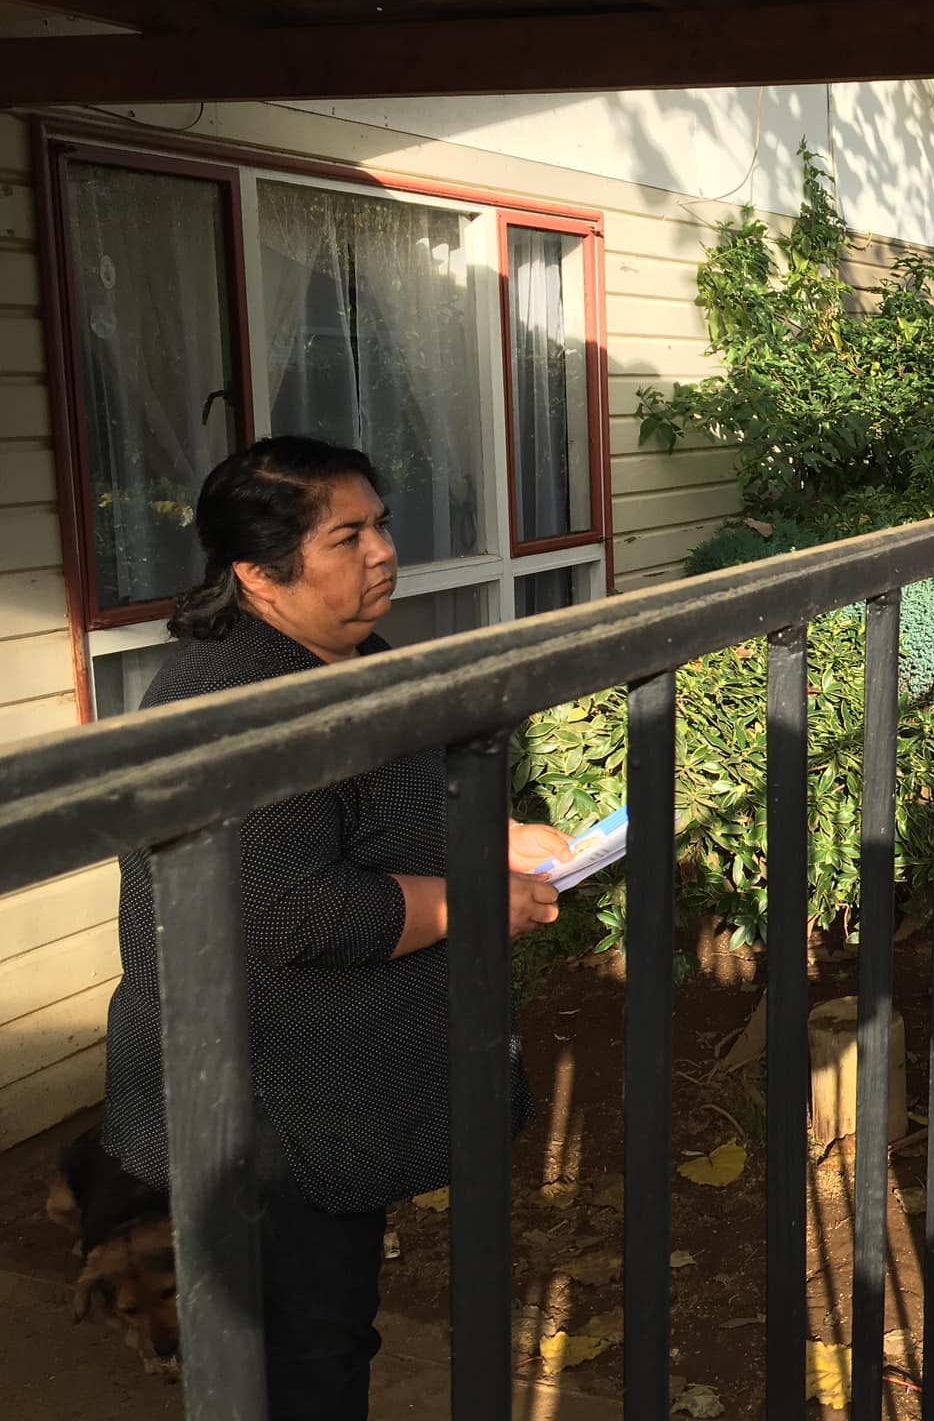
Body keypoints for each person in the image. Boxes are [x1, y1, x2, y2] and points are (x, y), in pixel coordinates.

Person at [98, 436, 568, 1420]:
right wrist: (479, 899)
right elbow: (293, 908)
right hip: (262, 1110)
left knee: (326, 1327)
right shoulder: (240, 702)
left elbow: (400, 806)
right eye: (346, 536)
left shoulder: (347, 657)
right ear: (256, 572)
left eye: (380, 525)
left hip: (327, 1088)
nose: (383, 552)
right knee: (304, 1352)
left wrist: (500, 837)